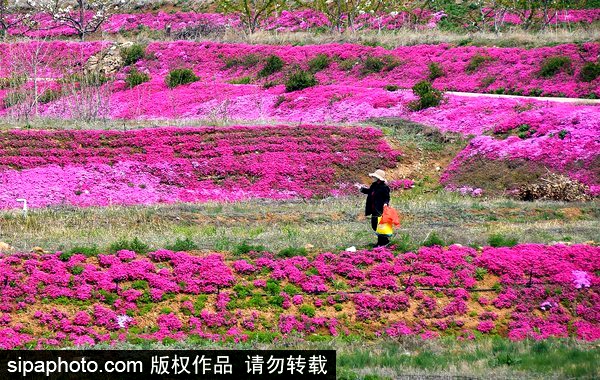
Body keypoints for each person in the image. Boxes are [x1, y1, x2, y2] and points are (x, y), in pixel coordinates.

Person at [356, 169, 391, 247]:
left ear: (378, 178)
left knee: (380, 226)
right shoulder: (374, 185)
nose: (373, 178)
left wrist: (385, 203)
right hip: (373, 208)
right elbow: (369, 191)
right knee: (375, 225)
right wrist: (361, 189)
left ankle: (383, 242)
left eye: (375, 176)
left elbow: (387, 198)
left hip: (380, 209)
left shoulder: (384, 187)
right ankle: (381, 242)